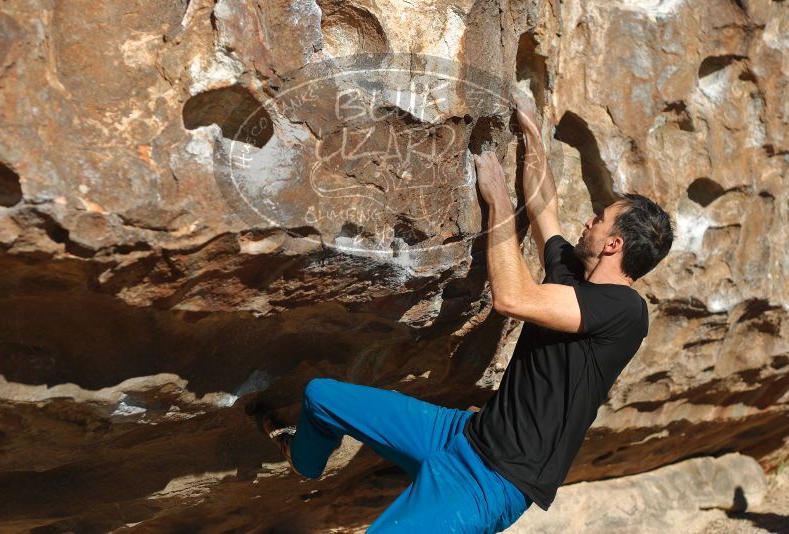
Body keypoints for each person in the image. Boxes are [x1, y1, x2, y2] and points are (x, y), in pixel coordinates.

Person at [248, 92, 674, 533]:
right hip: (460, 434)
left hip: (490, 482)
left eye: (599, 219)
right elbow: (545, 206)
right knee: (321, 398)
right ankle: (305, 462)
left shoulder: (626, 312)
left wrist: (499, 206)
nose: (589, 221)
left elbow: (512, 298)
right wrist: (530, 130)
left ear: (613, 244)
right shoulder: (572, 273)